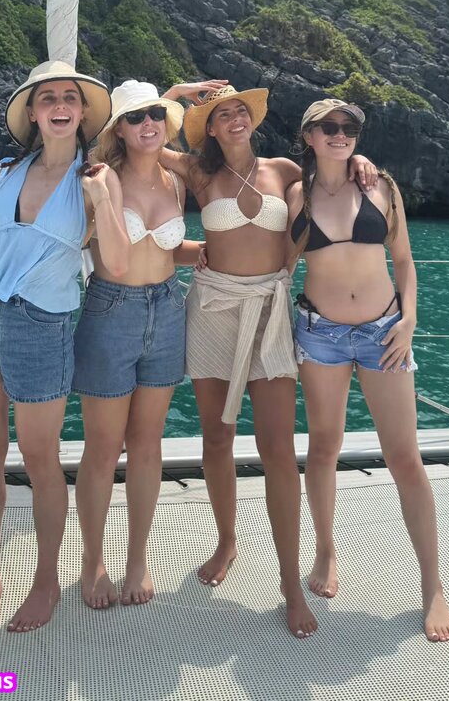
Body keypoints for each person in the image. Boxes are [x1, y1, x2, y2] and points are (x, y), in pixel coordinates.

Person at [158, 82, 376, 639]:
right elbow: (129, 137)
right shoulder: (197, 172)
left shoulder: (284, 171)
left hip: (271, 313)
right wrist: (176, 92)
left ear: (251, 119)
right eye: (222, 114)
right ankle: (227, 540)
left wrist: (361, 162)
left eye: (241, 110)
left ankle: (289, 582)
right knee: (216, 438)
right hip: (213, 309)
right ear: (209, 127)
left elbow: (333, 177)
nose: (234, 118)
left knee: (278, 448)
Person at [0, 60, 128, 636]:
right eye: (47, 97)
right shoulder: (6, 171)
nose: (59, 105)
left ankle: (46, 580)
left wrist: (103, 202)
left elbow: (117, 262)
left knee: (40, 458)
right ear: (32, 111)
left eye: (69, 96)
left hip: (40, 323)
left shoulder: (95, 176)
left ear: (82, 112)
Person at [286, 97, 449, 642]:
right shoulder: (295, 193)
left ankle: (432, 585)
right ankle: (325, 550)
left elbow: (403, 260)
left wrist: (409, 321)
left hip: (384, 332)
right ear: (309, 135)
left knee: (405, 456)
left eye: (350, 128)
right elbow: (277, 261)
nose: (340, 135)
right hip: (321, 335)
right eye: (329, 127)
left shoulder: (381, 186)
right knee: (323, 447)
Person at [72, 80, 205, 610]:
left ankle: (137, 558)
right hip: (111, 311)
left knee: (148, 445)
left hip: (168, 308)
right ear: (118, 129)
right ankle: (93, 561)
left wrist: (222, 251)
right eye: (133, 117)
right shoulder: (101, 177)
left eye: (155, 114)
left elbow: (168, 250)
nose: (147, 123)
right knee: (104, 448)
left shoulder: (176, 179)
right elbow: (115, 253)